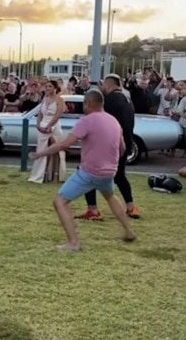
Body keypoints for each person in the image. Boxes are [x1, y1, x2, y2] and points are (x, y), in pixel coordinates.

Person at [30, 90, 137, 251]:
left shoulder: (87, 121)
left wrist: (40, 153)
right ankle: (129, 231)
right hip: (109, 172)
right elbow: (122, 149)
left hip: (90, 172)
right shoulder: (113, 121)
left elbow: (64, 144)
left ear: (87, 104)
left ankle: (74, 243)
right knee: (110, 196)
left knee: (59, 202)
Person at [75, 74, 141, 221]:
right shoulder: (127, 99)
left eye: (103, 85)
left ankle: (93, 209)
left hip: (109, 145)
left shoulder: (110, 100)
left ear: (108, 84)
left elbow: (97, 117)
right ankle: (130, 207)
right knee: (119, 175)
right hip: (124, 142)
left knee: (87, 173)